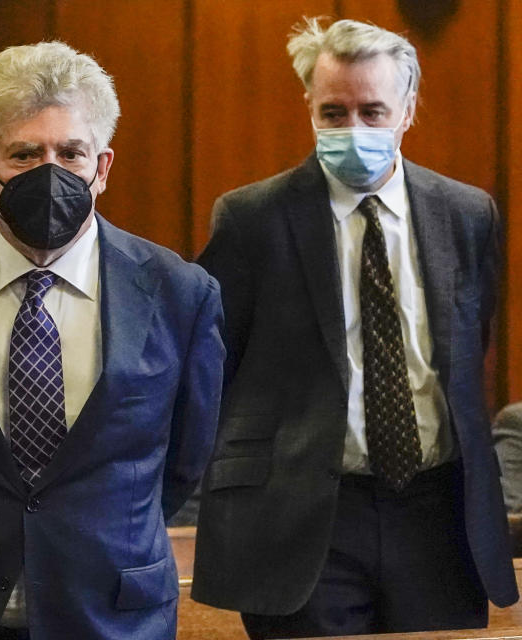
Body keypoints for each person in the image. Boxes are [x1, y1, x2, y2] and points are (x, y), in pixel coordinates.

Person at [0, 41, 224, 640]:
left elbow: (185, 456)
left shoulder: (179, 292)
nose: (51, 172)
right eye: (25, 154)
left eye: (71, 153)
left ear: (102, 168)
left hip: (112, 611)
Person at [192, 17, 518, 638]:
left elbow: (470, 344)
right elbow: (216, 364)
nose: (354, 130)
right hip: (305, 513)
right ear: (309, 106)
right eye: (334, 112)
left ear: (409, 109)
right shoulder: (252, 218)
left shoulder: (467, 213)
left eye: (373, 111)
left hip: (437, 514)